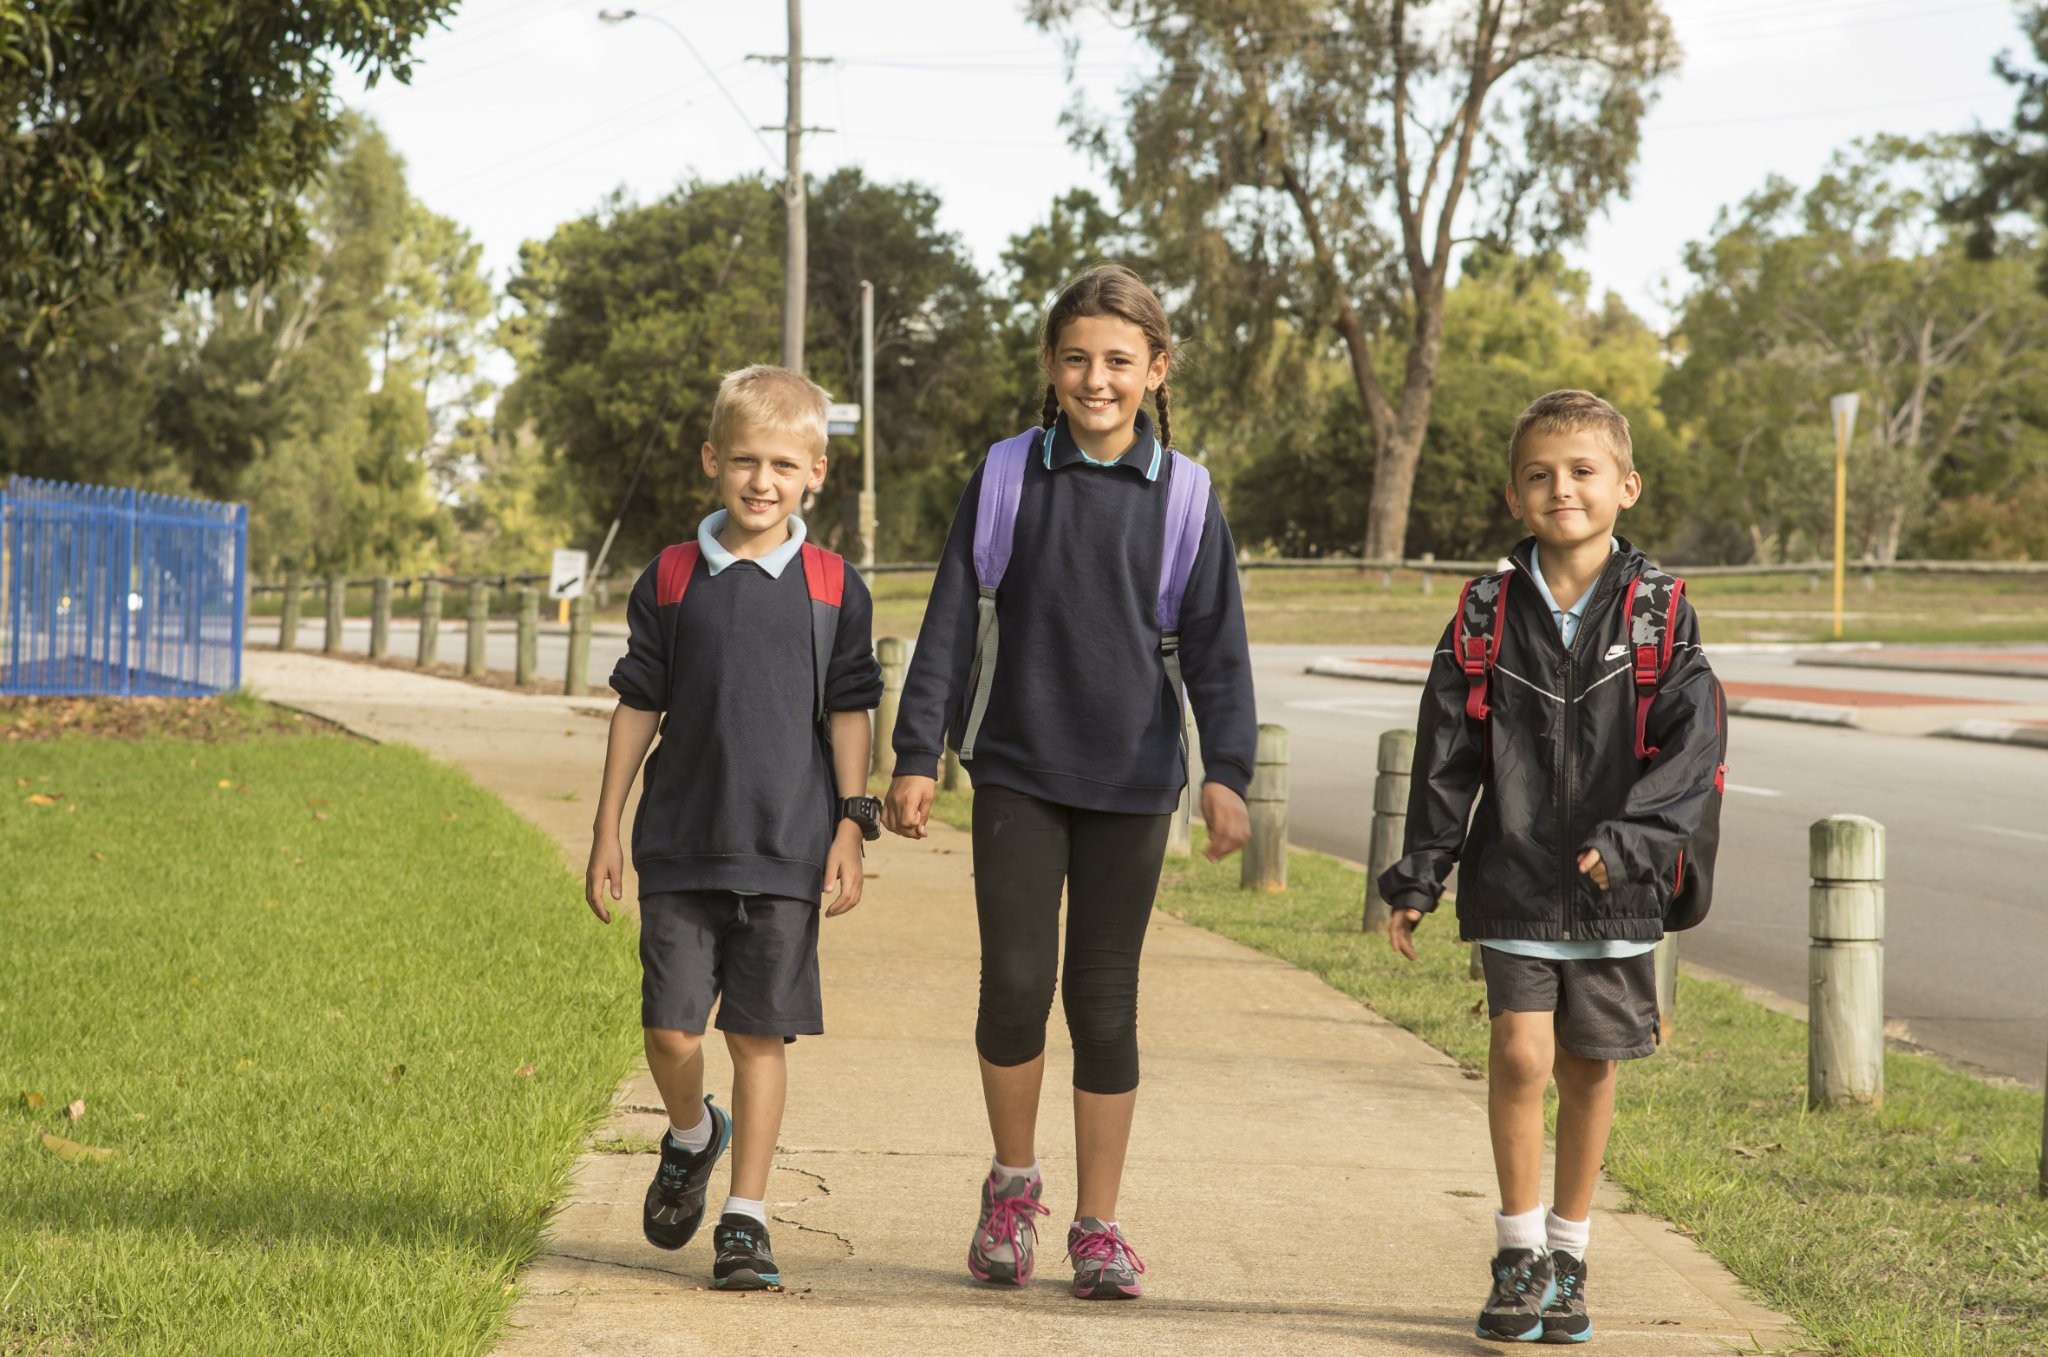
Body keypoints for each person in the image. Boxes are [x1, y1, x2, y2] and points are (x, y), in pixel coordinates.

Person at [882, 264, 1257, 1300]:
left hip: (1134, 778)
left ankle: (1096, 1223)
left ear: (1155, 371)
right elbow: (951, 618)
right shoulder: (1007, 474)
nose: (1098, 379)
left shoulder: (1183, 495)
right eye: (1078, 359)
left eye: (1119, 362)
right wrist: (917, 753)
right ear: (1051, 369)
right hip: (1017, 767)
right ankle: (1012, 1188)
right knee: (1012, 986)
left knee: (1103, 1000)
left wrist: (1225, 770)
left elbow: (1218, 650)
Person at [1378, 389, 1723, 1344]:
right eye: (1540, 473)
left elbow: (1695, 750)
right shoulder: (1486, 613)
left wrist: (1631, 844)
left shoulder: (1660, 614)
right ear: (1513, 493)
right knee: (1523, 1053)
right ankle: (1517, 1251)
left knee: (1589, 1064)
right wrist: (1419, 873)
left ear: (1627, 487)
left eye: (1581, 471)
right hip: (1518, 872)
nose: (1560, 487)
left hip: (1619, 879)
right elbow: (1447, 752)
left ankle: (1571, 1257)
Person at [585, 364, 884, 1292]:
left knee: (759, 1037)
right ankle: (690, 1130)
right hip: (678, 845)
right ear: (713, 460)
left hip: (790, 850)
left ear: (816, 473)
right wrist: (606, 826)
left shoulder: (835, 587)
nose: (763, 480)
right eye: (746, 460)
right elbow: (639, 705)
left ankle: (746, 1219)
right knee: (671, 1031)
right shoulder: (671, 577)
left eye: (784, 464)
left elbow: (850, 712)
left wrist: (851, 823)